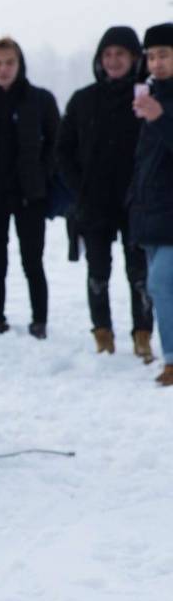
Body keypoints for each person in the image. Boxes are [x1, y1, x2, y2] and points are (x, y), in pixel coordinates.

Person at [58, 27, 154, 359]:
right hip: (94, 203)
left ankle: (143, 334)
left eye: (121, 54)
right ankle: (103, 335)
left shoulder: (147, 100)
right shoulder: (83, 100)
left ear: (134, 59)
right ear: (100, 60)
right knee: (98, 271)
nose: (113, 61)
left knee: (140, 274)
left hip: (137, 203)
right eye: (107, 55)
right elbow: (63, 150)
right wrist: (79, 188)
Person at [0, 36, 61, 339]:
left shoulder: (40, 100)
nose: (3, 69)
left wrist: (42, 179)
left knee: (33, 260)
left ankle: (39, 320)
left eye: (9, 63)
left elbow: (56, 145)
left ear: (20, 64)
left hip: (31, 195)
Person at [130, 23, 173, 386]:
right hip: (151, 211)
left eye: (165, 54)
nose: (157, 62)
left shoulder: (159, 107)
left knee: (161, 283)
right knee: (159, 286)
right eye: (153, 55)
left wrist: (160, 118)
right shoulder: (150, 98)